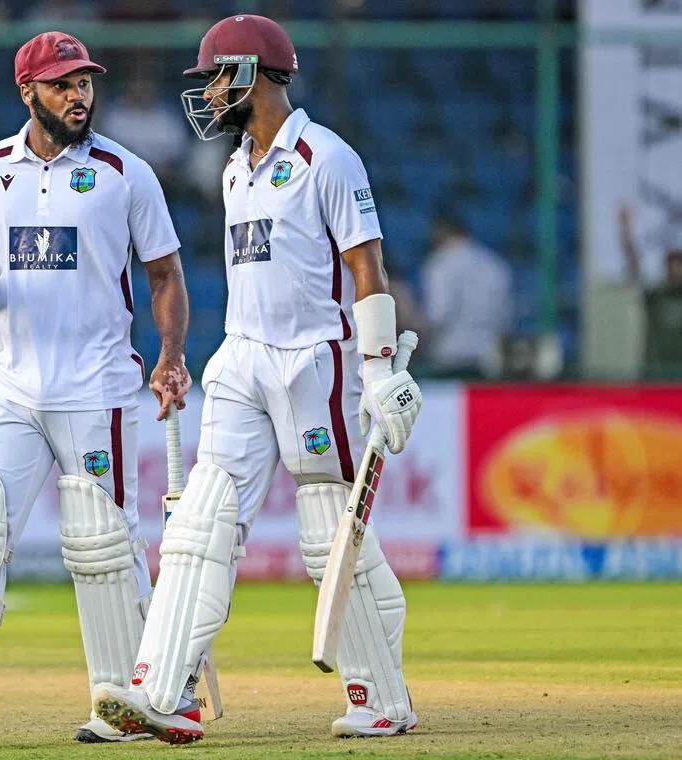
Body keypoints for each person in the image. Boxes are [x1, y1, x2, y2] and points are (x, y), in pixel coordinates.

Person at [93, 14, 423, 743]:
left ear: (251, 72)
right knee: (200, 522)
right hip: (242, 356)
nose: (208, 91)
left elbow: (368, 267)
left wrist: (375, 370)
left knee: (327, 531)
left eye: (216, 74)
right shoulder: (234, 166)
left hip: (315, 359)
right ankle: (162, 689)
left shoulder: (326, 157)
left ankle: (381, 697)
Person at [0, 31, 191, 746]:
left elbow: (165, 275)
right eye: (61, 85)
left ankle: (125, 705)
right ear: (28, 92)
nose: (79, 96)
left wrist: (172, 355)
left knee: (103, 548)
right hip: (10, 386)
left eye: (85, 83)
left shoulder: (125, 173)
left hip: (98, 389)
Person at [422, 211, 513, 378]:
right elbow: (505, 317)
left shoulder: (439, 263)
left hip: (449, 356)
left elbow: (438, 314)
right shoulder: (494, 263)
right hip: (488, 355)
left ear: (441, 231)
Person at [619, 204, 682, 377]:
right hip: (655, 377)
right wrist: (625, 232)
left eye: (680, 266)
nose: (676, 272)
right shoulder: (655, 296)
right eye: (672, 267)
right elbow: (635, 271)